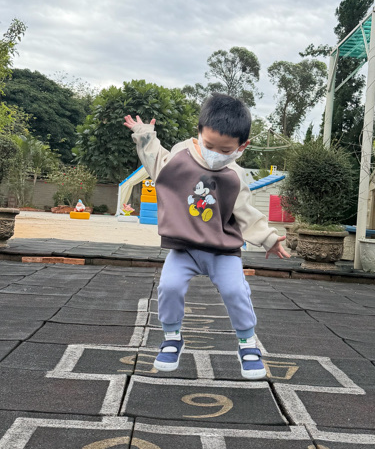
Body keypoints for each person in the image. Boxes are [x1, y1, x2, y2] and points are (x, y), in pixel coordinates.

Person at [124, 93, 289, 379]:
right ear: (199, 133)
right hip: (184, 248)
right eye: (209, 145)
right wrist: (145, 135)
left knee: (235, 290)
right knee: (169, 287)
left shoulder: (234, 177)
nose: (215, 154)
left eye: (225, 150)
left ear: (242, 147)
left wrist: (269, 239)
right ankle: (172, 338)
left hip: (221, 250)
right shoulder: (181, 157)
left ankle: (247, 343)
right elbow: (156, 160)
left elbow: (246, 213)